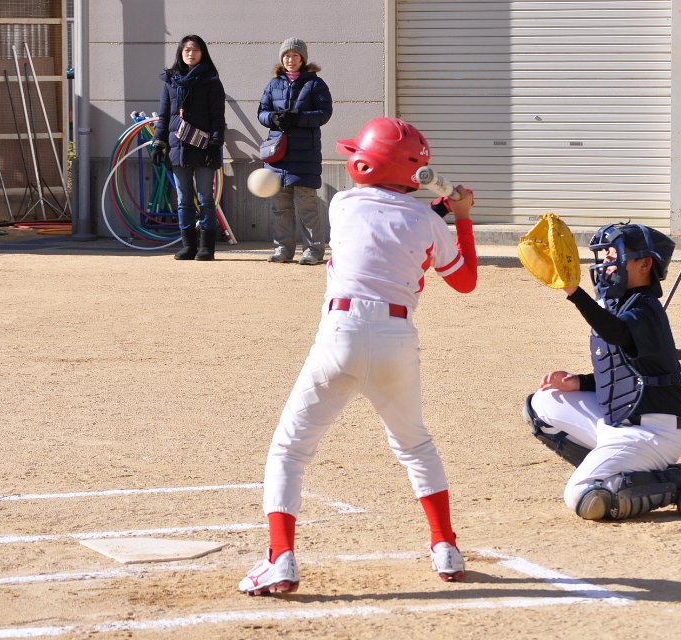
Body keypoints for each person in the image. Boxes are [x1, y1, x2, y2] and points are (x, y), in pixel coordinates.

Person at [238, 117, 478, 595]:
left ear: (366, 164)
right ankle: (445, 547)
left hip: (340, 335)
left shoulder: (343, 203)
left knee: (290, 449)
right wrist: (461, 216)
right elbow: (464, 280)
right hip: (395, 340)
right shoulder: (428, 222)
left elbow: (388, 215)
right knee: (415, 447)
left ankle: (280, 558)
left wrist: (442, 209)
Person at [523, 222, 681, 521]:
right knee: (541, 404)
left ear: (644, 265)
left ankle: (677, 480)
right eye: (605, 256)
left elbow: (617, 332)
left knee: (580, 496)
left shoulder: (646, 310)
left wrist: (574, 292)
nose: (605, 263)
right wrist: (578, 382)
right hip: (618, 421)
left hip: (650, 433)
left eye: (613, 256)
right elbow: (622, 375)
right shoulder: (619, 305)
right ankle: (619, 473)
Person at [257, 38, 333, 265]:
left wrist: (298, 118)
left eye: (295, 56)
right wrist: (273, 118)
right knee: (280, 207)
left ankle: (314, 250)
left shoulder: (315, 83)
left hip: (304, 155)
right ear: (282, 59)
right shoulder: (273, 84)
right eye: (287, 56)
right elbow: (261, 112)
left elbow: (324, 113)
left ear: (303, 59)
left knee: (307, 206)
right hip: (277, 155)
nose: (290, 60)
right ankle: (282, 248)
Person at [151, 34, 226, 261]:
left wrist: (214, 144)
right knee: (183, 199)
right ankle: (188, 245)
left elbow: (217, 117)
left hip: (204, 147)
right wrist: (158, 143)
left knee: (205, 199)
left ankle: (206, 247)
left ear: (202, 53)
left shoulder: (211, 81)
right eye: (186, 50)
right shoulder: (170, 82)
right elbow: (164, 116)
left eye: (195, 50)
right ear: (180, 53)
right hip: (178, 148)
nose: (190, 54)